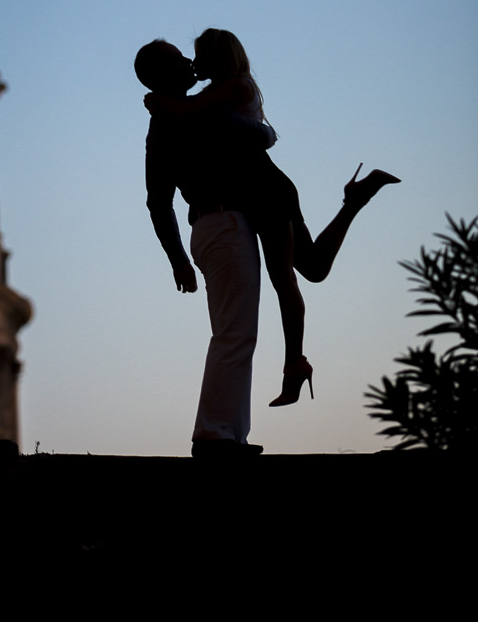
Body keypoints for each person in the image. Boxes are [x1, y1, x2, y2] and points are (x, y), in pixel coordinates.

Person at [144, 28, 400, 408]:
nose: (192, 63)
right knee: (313, 267)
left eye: (196, 56)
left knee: (284, 278)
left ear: (218, 58)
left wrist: (156, 98)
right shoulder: (211, 97)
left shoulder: (225, 91)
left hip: (265, 190)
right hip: (264, 191)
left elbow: (204, 116)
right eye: (184, 58)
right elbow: (160, 196)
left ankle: (293, 363)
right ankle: (354, 201)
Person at [134, 39, 275, 458]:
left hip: (213, 225)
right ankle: (215, 433)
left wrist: (180, 259)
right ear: (164, 73)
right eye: (178, 58)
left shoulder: (165, 120)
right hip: (224, 221)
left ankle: (230, 433)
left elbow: (158, 200)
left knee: (236, 331)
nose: (188, 61)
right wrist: (177, 261)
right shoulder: (193, 113)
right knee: (234, 331)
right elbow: (260, 137)